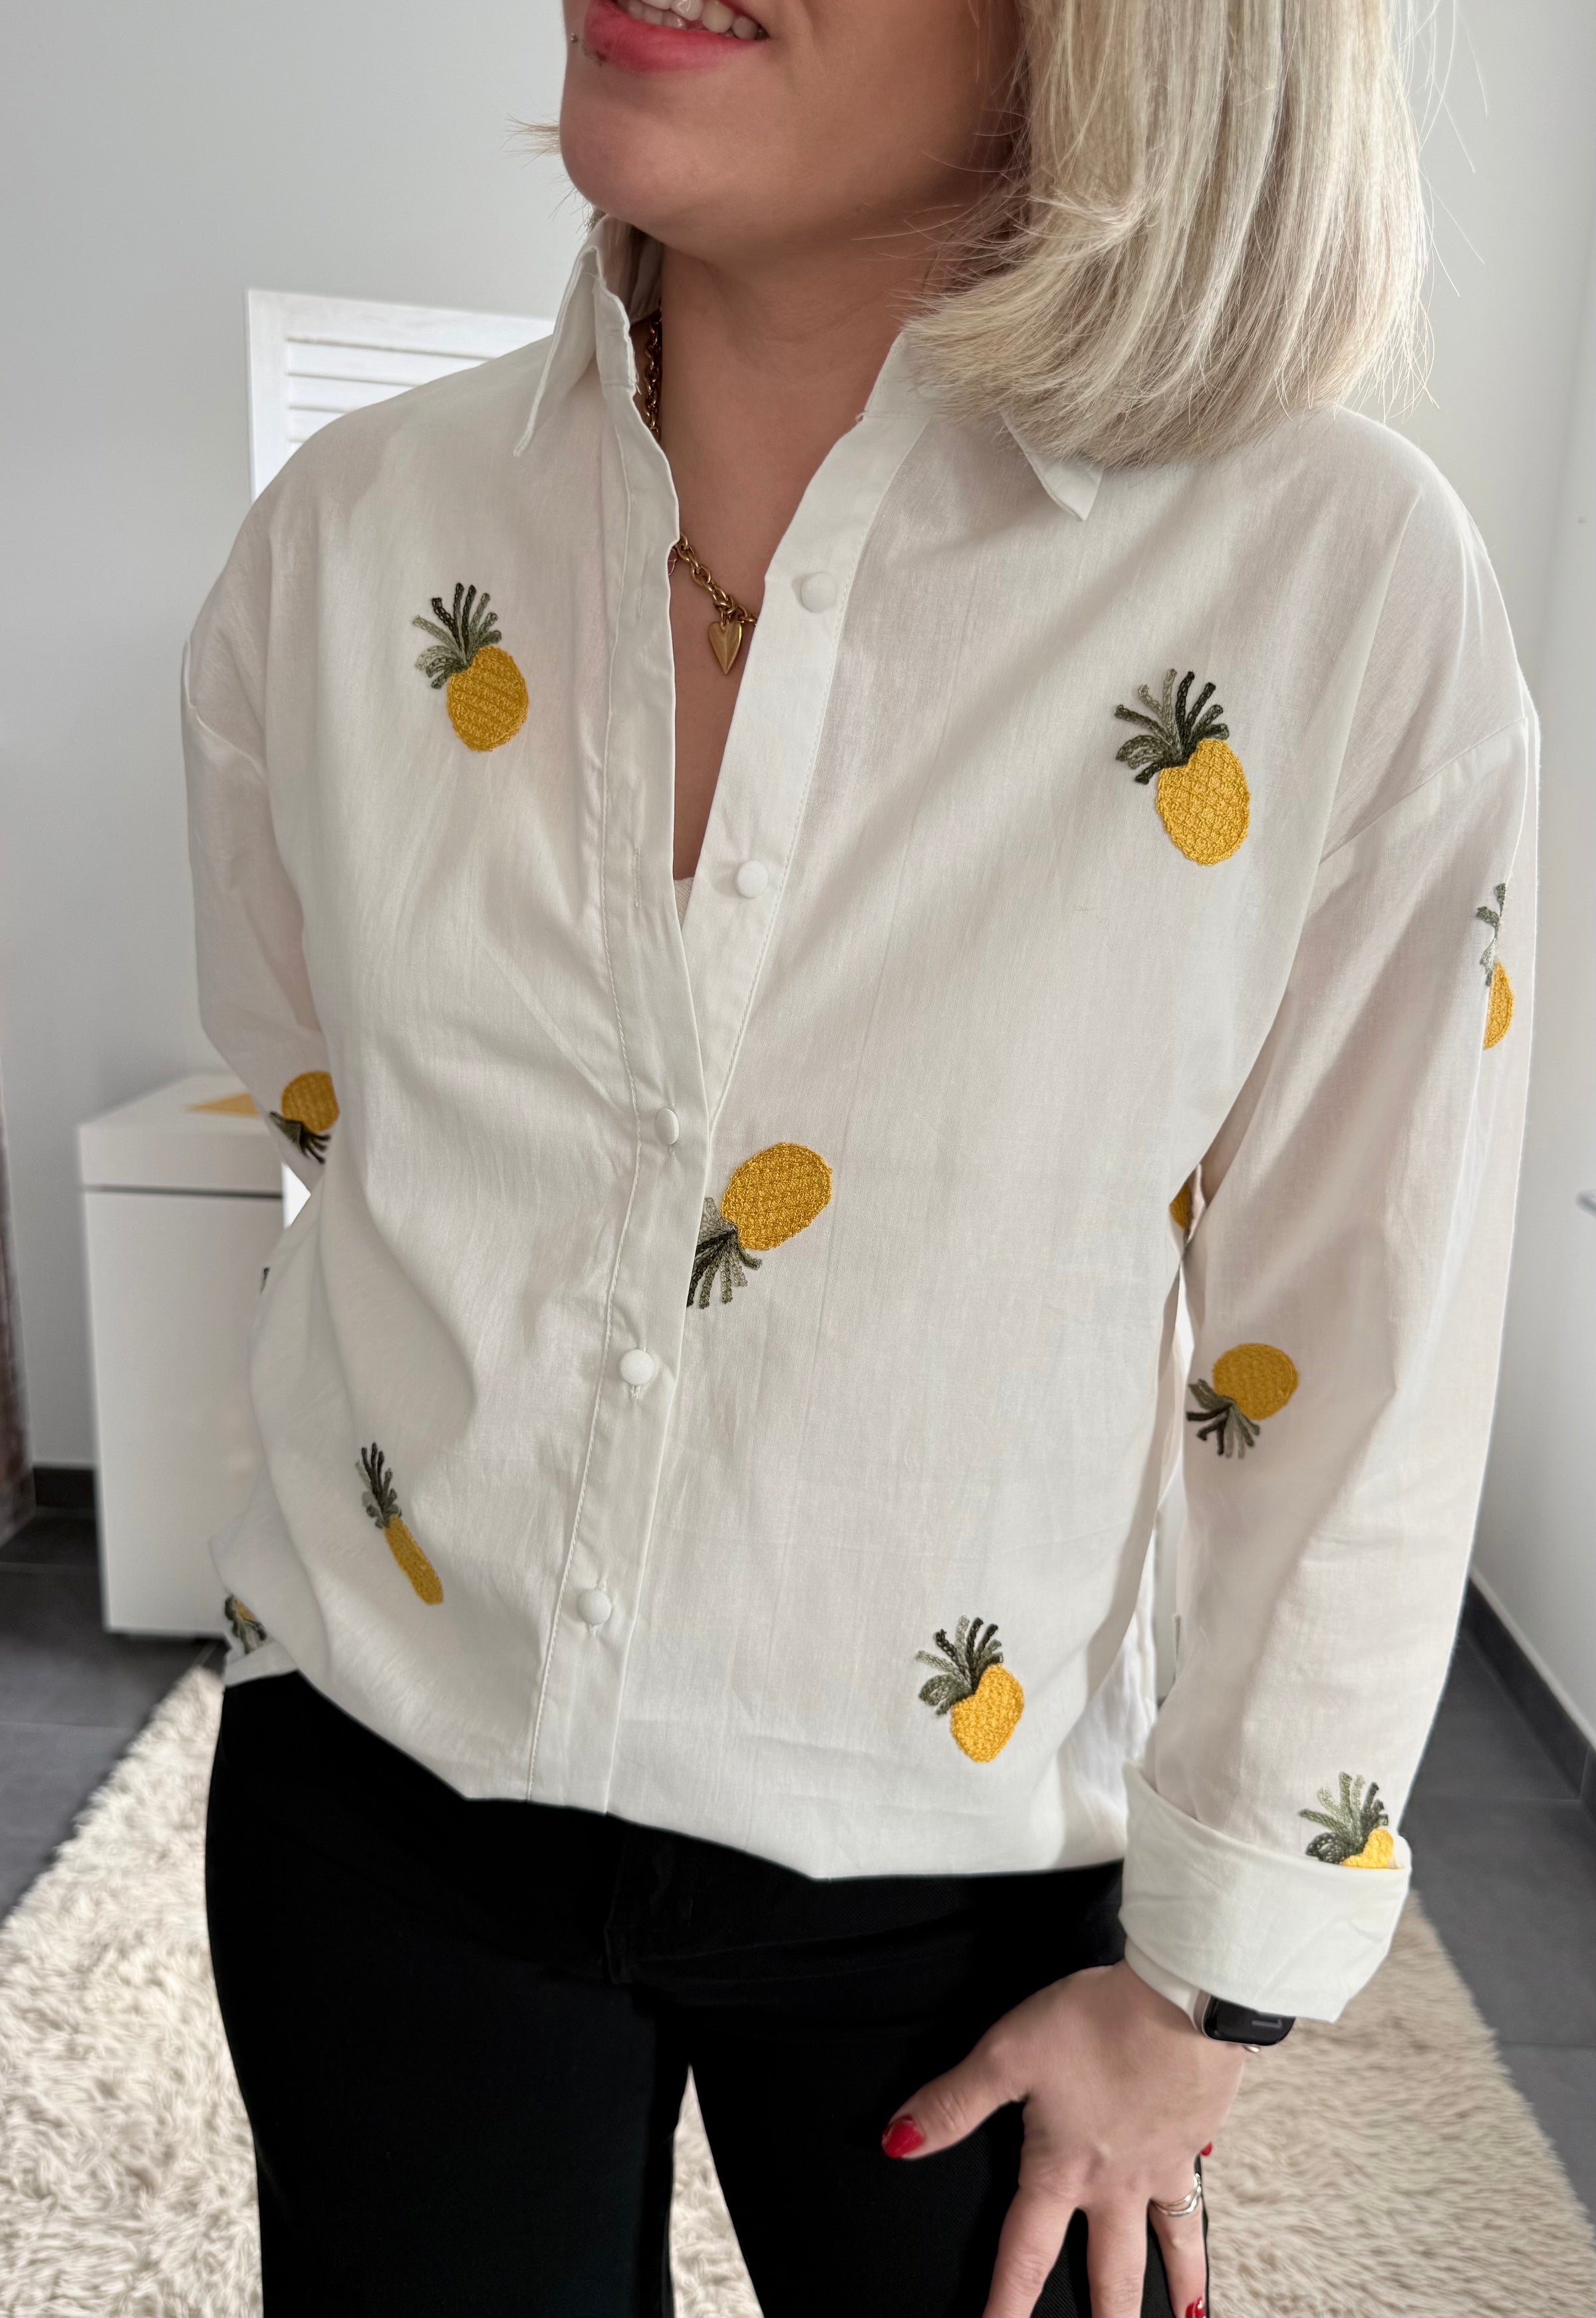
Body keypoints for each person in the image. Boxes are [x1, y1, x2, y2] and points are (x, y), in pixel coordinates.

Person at [184, 1, 1535, 2311]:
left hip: (966, 1867)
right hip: (380, 1786)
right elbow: (317, 1082)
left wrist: (1208, 1997)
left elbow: (1361, 1343)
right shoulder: (357, 530)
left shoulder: (1336, 581)